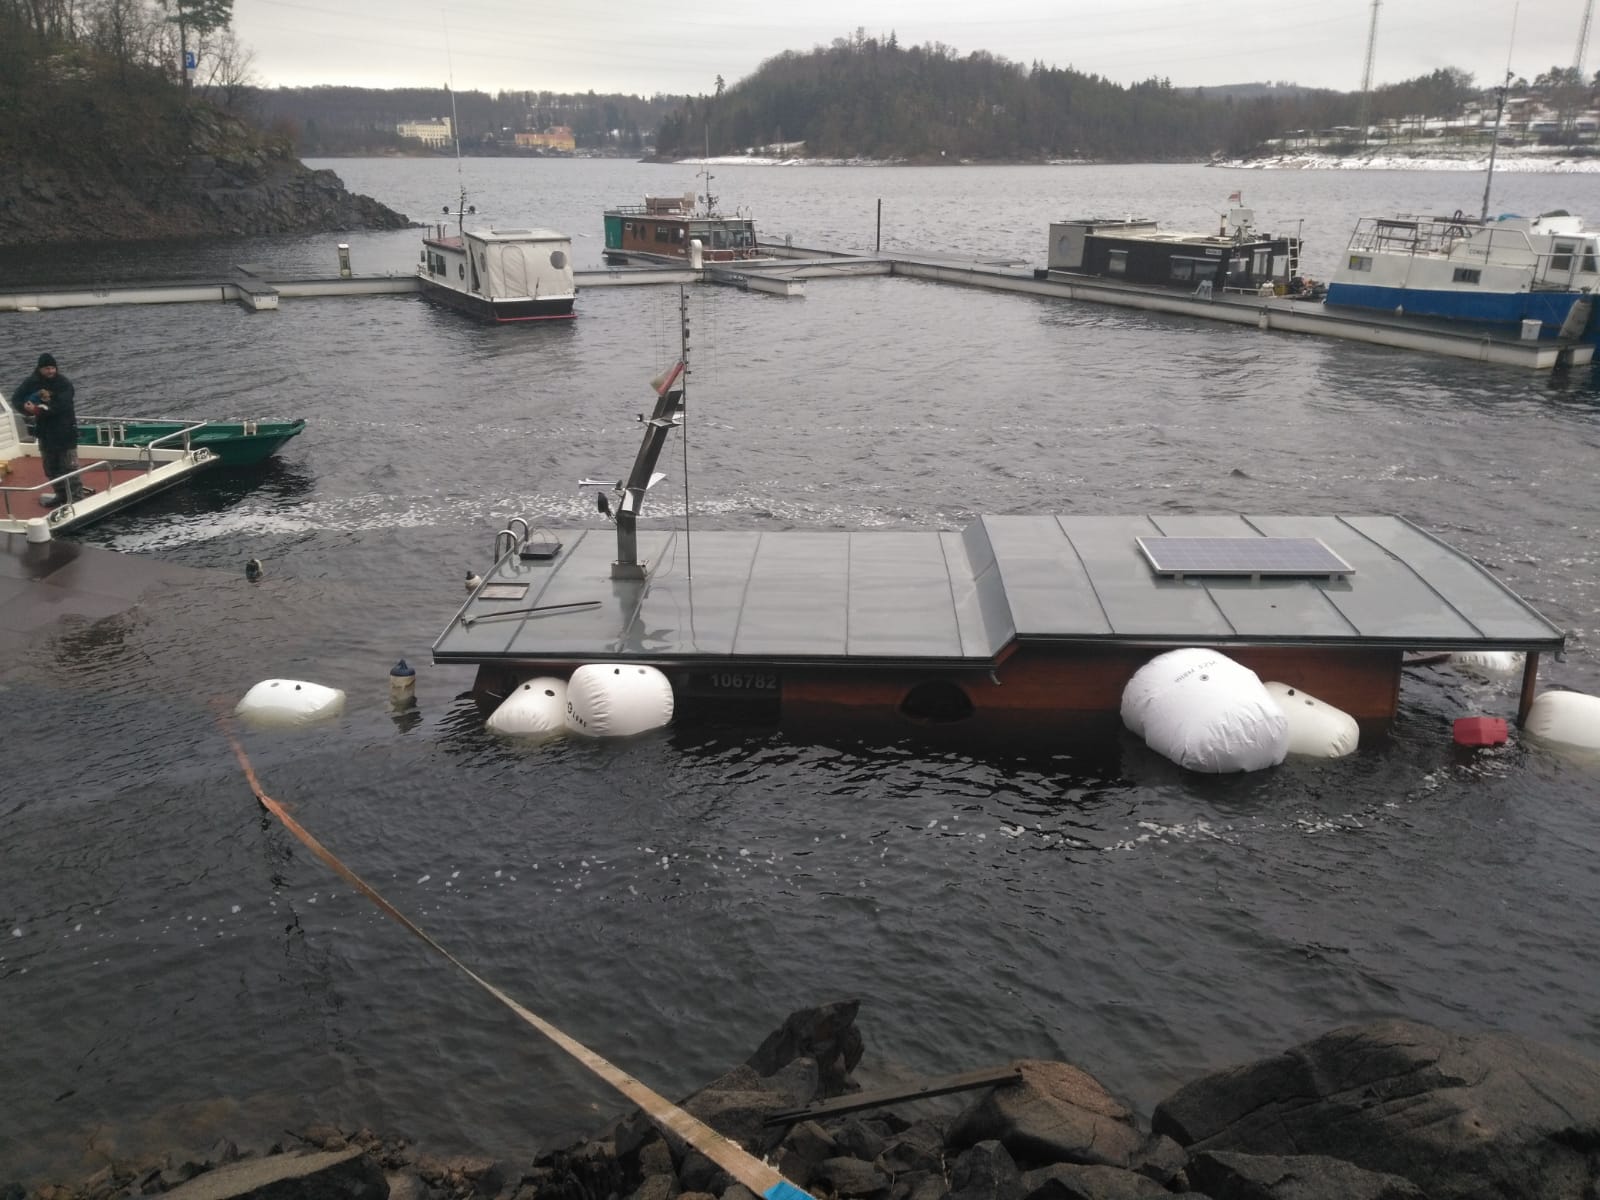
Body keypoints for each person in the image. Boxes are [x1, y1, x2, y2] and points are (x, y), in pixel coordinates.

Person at [11, 353, 86, 507]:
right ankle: (61, 495)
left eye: (53, 368)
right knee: (51, 468)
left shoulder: (63, 383)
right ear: (40, 369)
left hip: (65, 431)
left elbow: (61, 405)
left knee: (69, 467)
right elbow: (16, 398)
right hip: (45, 433)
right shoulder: (32, 382)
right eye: (47, 368)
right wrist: (25, 408)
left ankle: (77, 498)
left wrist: (38, 411)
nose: (51, 371)